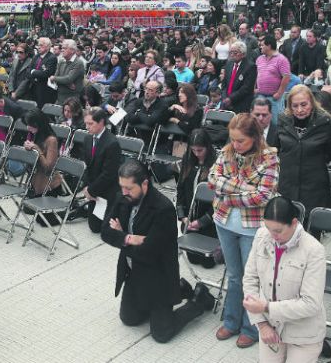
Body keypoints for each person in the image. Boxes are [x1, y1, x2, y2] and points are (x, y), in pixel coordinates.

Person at [101, 160, 216, 343]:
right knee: (129, 319)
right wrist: (129, 238)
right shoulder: (123, 197)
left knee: (162, 334)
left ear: (144, 184)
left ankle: (198, 300)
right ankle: (181, 288)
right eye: (122, 187)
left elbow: (149, 252)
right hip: (134, 272)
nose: (124, 193)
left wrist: (121, 234)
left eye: (129, 188)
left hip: (158, 276)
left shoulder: (163, 209)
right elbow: (105, 232)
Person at [208, 113, 279, 348]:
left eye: (241, 141)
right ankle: (231, 321)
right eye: (233, 139)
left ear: (255, 138)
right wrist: (241, 187)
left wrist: (228, 194)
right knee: (235, 276)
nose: (235, 145)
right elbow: (211, 178)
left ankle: (252, 327)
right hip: (223, 222)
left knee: (252, 280)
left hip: (252, 229)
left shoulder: (269, 158)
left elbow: (264, 196)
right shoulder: (227, 151)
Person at [242, 197, 327, 362]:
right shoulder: (262, 235)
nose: (273, 235)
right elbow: (250, 280)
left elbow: (311, 303)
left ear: (294, 223)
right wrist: (262, 324)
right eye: (268, 228)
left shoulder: (314, 250)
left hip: (304, 333)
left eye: (278, 231)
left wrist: (266, 307)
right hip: (269, 326)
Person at [272, 85, 331, 229]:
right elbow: (275, 148)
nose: (299, 110)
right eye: (295, 106)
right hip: (287, 184)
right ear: (289, 106)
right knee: (286, 230)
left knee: (310, 233)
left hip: (314, 186)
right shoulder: (283, 119)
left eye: (304, 104)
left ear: (311, 103)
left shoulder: (324, 121)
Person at [80, 107, 123, 233]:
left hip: (108, 189)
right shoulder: (88, 139)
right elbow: (86, 166)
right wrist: (86, 187)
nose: (87, 127)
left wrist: (92, 191)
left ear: (101, 122)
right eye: (86, 123)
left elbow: (109, 174)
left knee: (104, 230)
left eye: (90, 124)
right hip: (94, 185)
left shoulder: (112, 143)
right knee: (94, 227)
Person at [176, 128, 218, 239]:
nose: (196, 153)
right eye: (193, 150)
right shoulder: (188, 158)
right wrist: (182, 216)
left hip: (210, 222)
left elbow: (219, 199)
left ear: (207, 147)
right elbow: (180, 188)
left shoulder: (217, 164)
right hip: (189, 219)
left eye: (200, 150)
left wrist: (202, 221)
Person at [21, 108, 61, 197]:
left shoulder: (51, 140)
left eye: (30, 125)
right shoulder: (34, 135)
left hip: (48, 185)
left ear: (37, 124)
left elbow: (48, 168)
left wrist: (37, 149)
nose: (28, 127)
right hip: (36, 182)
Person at [254, 35, 291, 126]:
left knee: (275, 122)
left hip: (274, 97)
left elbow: (286, 77)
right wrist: (254, 88)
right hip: (260, 95)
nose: (260, 47)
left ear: (269, 46)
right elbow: (256, 75)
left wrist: (279, 93)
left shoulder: (281, 59)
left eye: (262, 45)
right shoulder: (259, 59)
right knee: (259, 122)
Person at [221, 41, 257, 114]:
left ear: (243, 54)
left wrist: (231, 98)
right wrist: (225, 97)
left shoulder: (250, 67)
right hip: (226, 102)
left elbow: (246, 88)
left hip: (241, 103)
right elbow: (224, 83)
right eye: (231, 52)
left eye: (235, 53)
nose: (232, 55)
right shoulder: (228, 64)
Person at [50, 39, 85, 105]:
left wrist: (55, 78)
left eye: (64, 48)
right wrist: (66, 83)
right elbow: (57, 76)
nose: (62, 50)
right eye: (62, 48)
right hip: (60, 97)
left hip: (72, 99)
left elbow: (68, 79)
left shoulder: (78, 63)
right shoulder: (61, 61)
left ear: (72, 50)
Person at [27, 37, 58, 108]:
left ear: (47, 47)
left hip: (44, 90)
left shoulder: (52, 58)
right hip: (33, 87)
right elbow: (28, 70)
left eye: (41, 45)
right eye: (38, 45)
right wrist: (33, 72)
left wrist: (33, 72)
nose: (38, 47)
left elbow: (46, 73)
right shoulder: (36, 56)